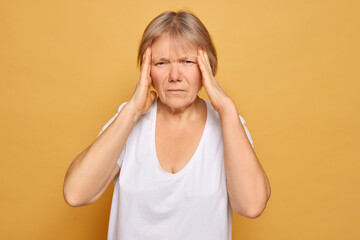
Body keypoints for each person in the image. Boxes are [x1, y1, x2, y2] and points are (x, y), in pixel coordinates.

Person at [63, 10, 271, 240]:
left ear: (206, 68)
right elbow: (75, 194)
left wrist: (227, 109)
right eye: (161, 63)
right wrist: (132, 110)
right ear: (147, 70)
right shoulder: (128, 121)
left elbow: (251, 205)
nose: (174, 75)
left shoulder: (229, 125)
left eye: (187, 62)